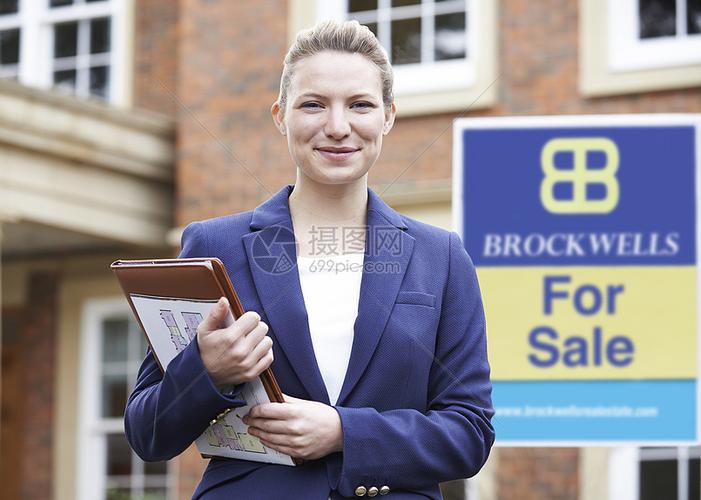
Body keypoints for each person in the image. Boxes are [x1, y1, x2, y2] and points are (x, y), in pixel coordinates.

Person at [124, 19, 494, 500]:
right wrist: (205, 370)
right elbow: (147, 434)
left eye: (360, 105)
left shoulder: (441, 257)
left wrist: (344, 431)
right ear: (281, 116)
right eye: (313, 105)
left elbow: (469, 433)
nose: (337, 127)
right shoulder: (214, 246)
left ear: (388, 116)